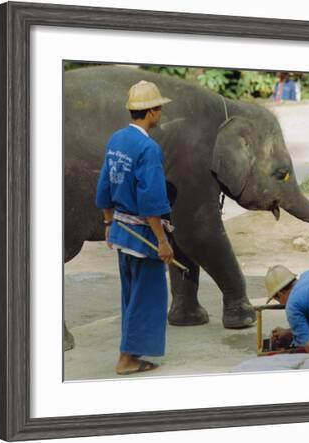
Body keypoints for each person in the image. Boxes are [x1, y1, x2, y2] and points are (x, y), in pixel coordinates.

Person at [95, 80, 174, 375]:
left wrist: (107, 222)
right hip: (143, 238)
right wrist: (162, 242)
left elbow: (104, 185)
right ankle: (127, 359)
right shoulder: (148, 148)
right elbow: (151, 200)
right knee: (147, 298)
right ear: (152, 112)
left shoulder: (116, 139)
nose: (160, 113)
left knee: (130, 295)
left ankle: (128, 354)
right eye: (159, 109)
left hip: (121, 232)